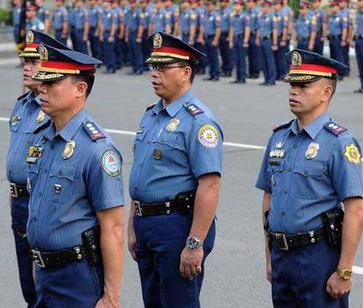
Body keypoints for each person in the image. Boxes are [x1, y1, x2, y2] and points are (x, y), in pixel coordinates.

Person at [256, 49, 363, 307]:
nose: (294, 91)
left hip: (316, 256)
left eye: (303, 85)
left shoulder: (339, 142)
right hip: (282, 254)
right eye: (292, 84)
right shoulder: (279, 137)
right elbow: (268, 198)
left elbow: (355, 210)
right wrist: (269, 253)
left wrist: (344, 271)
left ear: (326, 92)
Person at [128, 31, 222, 307]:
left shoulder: (199, 122)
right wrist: (134, 225)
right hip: (147, 224)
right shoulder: (152, 114)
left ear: (185, 72)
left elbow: (210, 185)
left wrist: (195, 243)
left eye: (163, 67)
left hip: (177, 225)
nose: (154, 74)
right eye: (152, 67)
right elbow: (142, 176)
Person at [28, 43, 125, 307]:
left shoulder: (96, 149)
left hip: (76, 275)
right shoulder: (43, 138)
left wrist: (111, 297)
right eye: (42, 82)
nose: (42, 89)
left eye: (53, 83)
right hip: (45, 272)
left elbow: (114, 228)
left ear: (80, 89)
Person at [7, 30, 69, 308]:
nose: (27, 67)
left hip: (41, 201)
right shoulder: (22, 107)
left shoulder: (54, 110)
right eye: (25, 61)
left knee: (44, 283)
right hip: (20, 202)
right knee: (27, 284)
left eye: (34, 62)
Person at [256, 0, 278, 86]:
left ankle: (272, 80)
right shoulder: (260, 16)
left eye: (265, 7)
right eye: (262, 6)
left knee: (270, 61)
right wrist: (257, 38)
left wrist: (275, 43)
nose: (263, 8)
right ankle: (266, 79)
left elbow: (275, 30)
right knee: (263, 60)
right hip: (261, 40)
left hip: (268, 40)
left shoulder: (273, 17)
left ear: (269, 7)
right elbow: (258, 28)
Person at [228, 0, 250, 84]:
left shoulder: (245, 16)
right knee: (236, 59)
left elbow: (247, 29)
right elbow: (232, 29)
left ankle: (242, 77)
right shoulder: (233, 16)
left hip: (241, 38)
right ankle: (237, 77)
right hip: (235, 39)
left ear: (241, 6)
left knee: (242, 59)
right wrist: (230, 40)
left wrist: (245, 41)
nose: (235, 6)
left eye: (237, 5)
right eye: (234, 5)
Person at [200, 0, 222, 82]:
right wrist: (201, 37)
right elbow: (202, 27)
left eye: (209, 5)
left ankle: (216, 74)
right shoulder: (205, 15)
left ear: (213, 5)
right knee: (208, 57)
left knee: (214, 57)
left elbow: (218, 28)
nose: (207, 6)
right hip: (206, 37)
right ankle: (211, 74)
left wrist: (216, 39)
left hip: (212, 38)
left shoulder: (216, 15)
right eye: (207, 5)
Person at [327, 0, 347, 78]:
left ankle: (341, 73)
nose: (332, 8)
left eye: (333, 6)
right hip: (331, 39)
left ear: (338, 7)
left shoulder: (342, 17)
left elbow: (345, 29)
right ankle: (334, 72)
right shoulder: (331, 17)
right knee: (333, 56)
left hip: (338, 39)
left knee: (339, 56)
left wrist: (343, 39)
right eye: (331, 6)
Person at [126, 0, 145, 75]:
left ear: (135, 4)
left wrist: (139, 37)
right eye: (130, 3)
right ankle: (134, 68)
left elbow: (141, 25)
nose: (131, 4)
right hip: (130, 34)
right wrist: (127, 36)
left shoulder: (139, 13)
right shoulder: (128, 12)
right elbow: (127, 25)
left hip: (136, 33)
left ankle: (140, 68)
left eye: (133, 3)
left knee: (137, 52)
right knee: (132, 52)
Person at [99, 0, 118, 74]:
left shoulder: (113, 12)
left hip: (110, 33)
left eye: (105, 2)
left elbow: (114, 25)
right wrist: (101, 34)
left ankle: (112, 67)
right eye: (103, 1)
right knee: (106, 51)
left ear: (109, 3)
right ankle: (108, 66)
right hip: (105, 33)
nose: (104, 3)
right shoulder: (104, 12)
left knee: (111, 51)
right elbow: (102, 24)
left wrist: (112, 35)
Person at [246, 0, 262, 79]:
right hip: (248, 35)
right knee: (250, 55)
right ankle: (250, 71)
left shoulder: (258, 11)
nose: (248, 3)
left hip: (254, 34)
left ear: (254, 3)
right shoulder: (247, 11)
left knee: (255, 55)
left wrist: (257, 37)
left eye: (250, 2)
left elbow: (259, 26)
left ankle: (256, 72)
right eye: (248, 2)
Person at [218, 0, 233, 77]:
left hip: (226, 34)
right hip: (220, 35)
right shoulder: (219, 12)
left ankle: (228, 70)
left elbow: (231, 25)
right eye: (220, 1)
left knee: (228, 54)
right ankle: (224, 69)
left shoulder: (229, 12)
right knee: (222, 53)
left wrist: (230, 37)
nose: (222, 3)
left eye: (223, 1)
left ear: (227, 2)